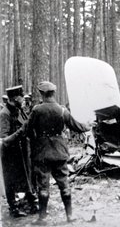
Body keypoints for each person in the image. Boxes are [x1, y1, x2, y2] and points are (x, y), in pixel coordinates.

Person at [3, 82, 91, 225]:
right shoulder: (62, 110)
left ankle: (42, 218)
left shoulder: (37, 110)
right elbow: (78, 127)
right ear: (53, 93)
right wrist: (89, 125)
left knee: (43, 186)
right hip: (60, 152)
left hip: (42, 153)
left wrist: (7, 140)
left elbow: (24, 130)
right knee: (64, 184)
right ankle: (70, 217)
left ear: (42, 94)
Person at [0, 85, 37, 218]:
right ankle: (13, 208)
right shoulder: (4, 114)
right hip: (10, 155)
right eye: (21, 97)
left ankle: (31, 202)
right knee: (10, 180)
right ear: (15, 98)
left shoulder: (19, 110)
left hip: (22, 152)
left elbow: (25, 124)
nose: (23, 99)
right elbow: (4, 139)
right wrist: (20, 133)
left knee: (27, 176)